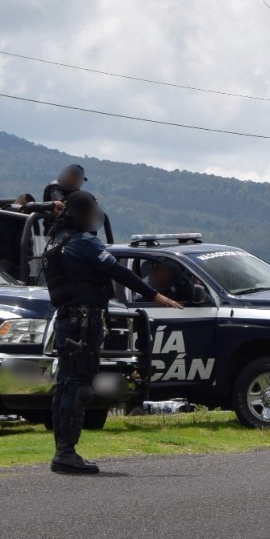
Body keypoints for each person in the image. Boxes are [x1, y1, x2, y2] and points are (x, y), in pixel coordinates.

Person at [44, 190, 182, 474]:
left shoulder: (57, 240)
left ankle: (63, 451)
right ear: (82, 214)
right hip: (83, 323)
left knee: (66, 386)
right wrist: (155, 296)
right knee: (79, 387)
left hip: (67, 321)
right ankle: (65, 453)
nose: (96, 216)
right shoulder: (84, 242)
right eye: (92, 210)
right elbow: (121, 273)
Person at [0, 193, 64, 275]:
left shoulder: (20, 218)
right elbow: (26, 208)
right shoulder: (8, 210)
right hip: (9, 263)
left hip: (22, 260)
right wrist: (51, 205)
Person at [42, 164, 86, 234]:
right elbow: (61, 204)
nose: (74, 178)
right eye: (73, 175)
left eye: (77, 177)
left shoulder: (78, 192)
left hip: (75, 230)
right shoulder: (55, 186)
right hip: (55, 231)